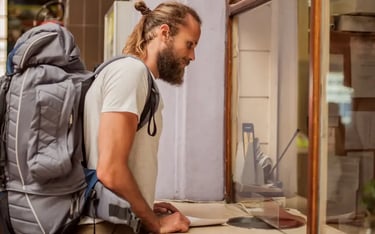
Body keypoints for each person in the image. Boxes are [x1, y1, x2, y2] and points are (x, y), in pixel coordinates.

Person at [77, 1, 202, 233]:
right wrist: (155, 223)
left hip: (114, 219)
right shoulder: (130, 73)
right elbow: (110, 170)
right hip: (105, 226)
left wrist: (143, 205)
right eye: (189, 44)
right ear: (165, 33)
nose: (193, 56)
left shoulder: (136, 76)